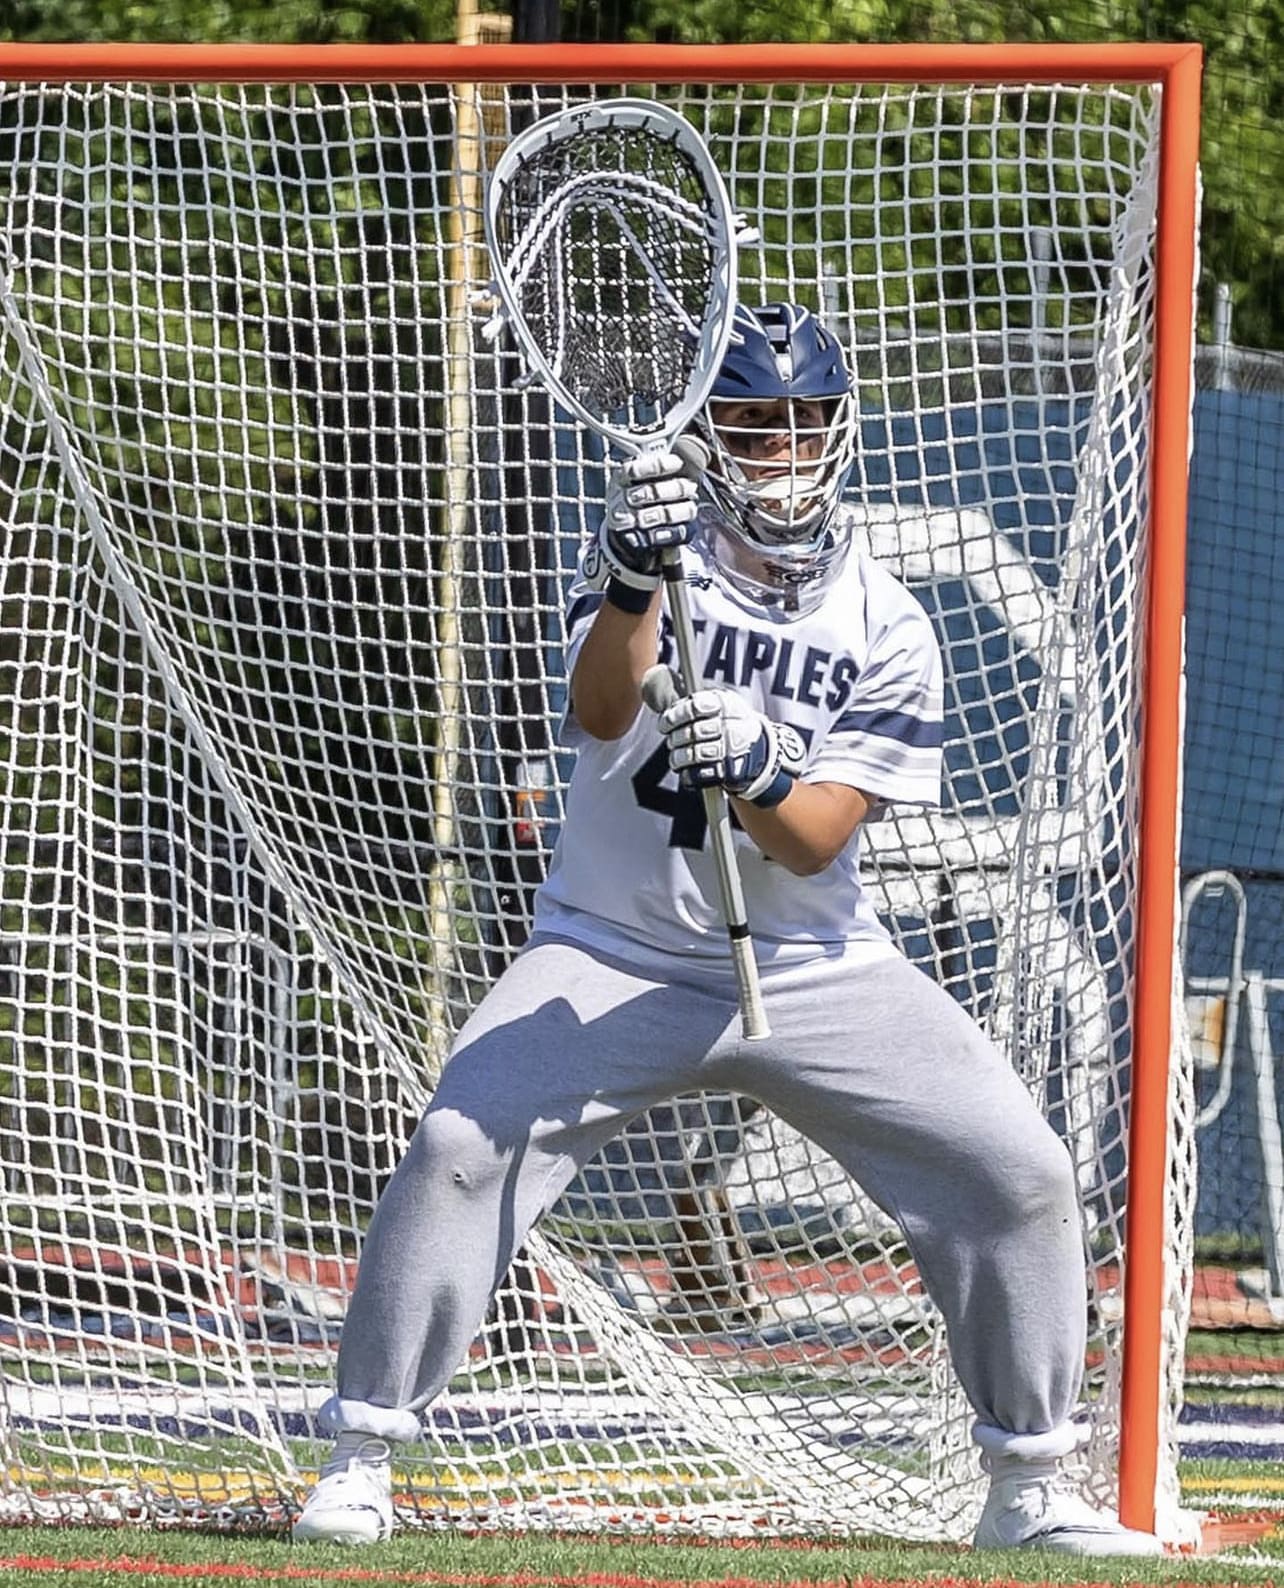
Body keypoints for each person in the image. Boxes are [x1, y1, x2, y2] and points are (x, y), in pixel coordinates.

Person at [291, 302, 1163, 1556]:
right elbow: (599, 711)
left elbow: (814, 836)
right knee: (454, 1145)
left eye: (807, 425)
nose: (784, 452)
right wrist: (638, 577)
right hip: (609, 945)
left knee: (1015, 1169)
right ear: (708, 439)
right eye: (754, 426)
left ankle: (1029, 1483)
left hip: (813, 964)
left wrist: (755, 763)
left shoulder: (887, 621)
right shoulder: (653, 556)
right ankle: (363, 1451)